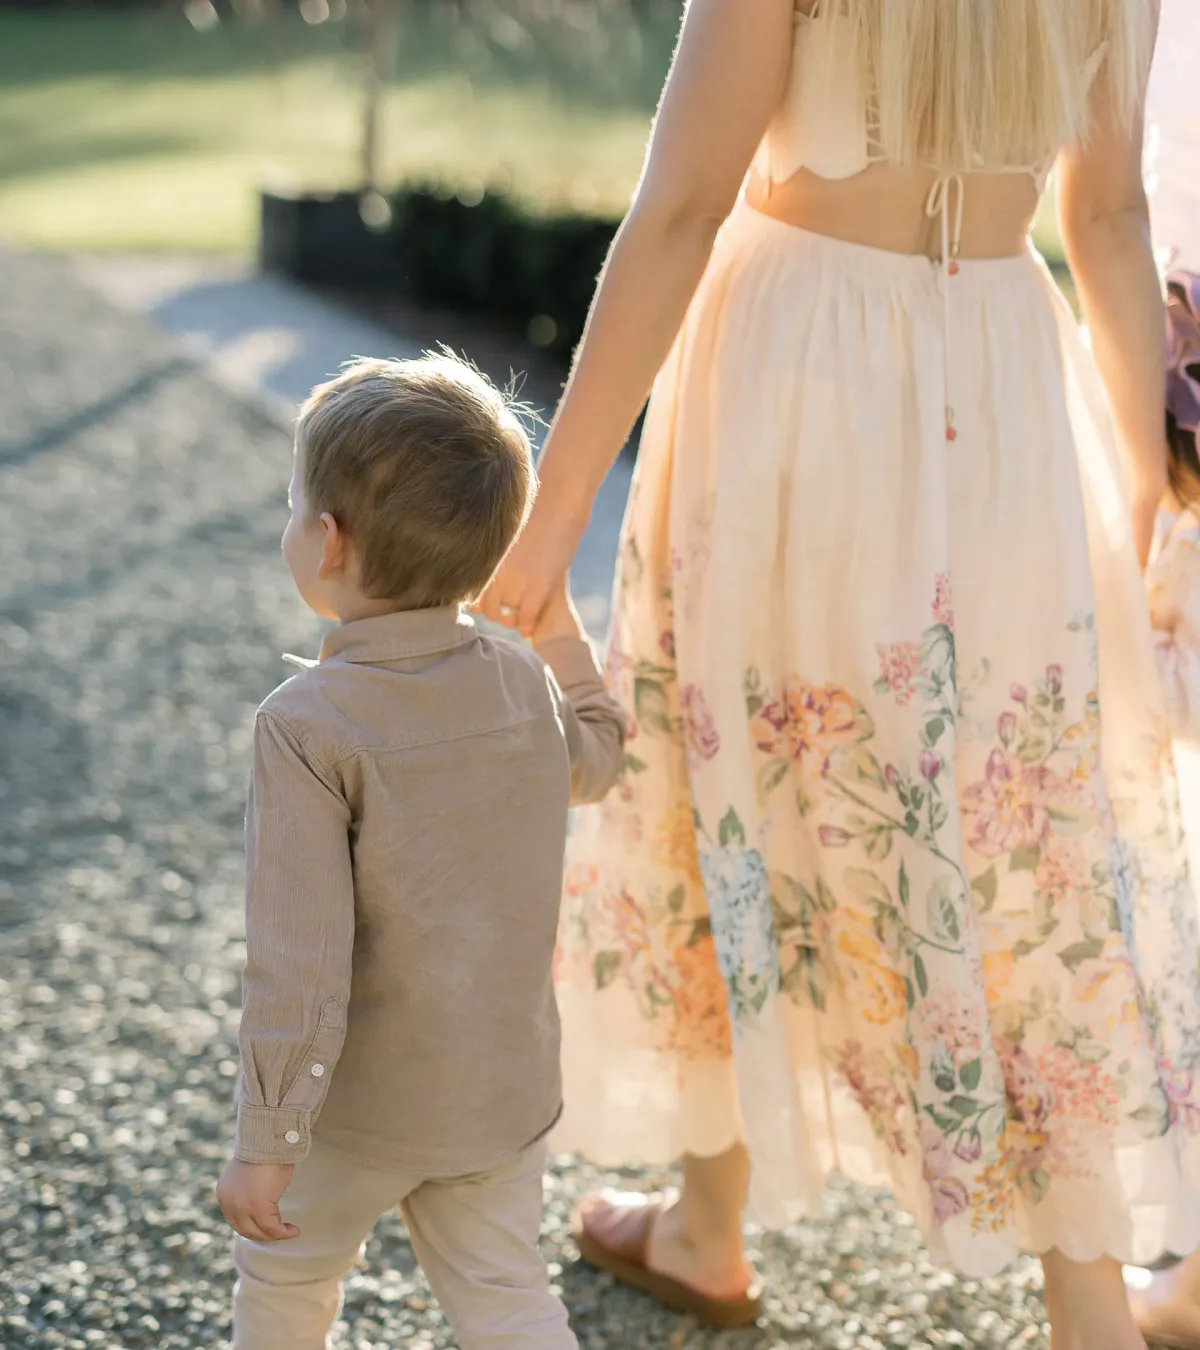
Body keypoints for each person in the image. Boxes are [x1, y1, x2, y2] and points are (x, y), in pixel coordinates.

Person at [479, 2, 1200, 1347]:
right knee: (1016, 818)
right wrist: (1144, 494)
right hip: (999, 375)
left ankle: (707, 1223)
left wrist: (560, 494)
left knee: (734, 759)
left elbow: (687, 204)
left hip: (794, 361)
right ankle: (1086, 1298)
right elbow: (1107, 220)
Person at [214, 355, 625, 1350]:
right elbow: (601, 756)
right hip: (499, 1094)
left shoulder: (307, 725)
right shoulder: (522, 683)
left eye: (292, 504)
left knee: (287, 1279)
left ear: (327, 541)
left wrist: (268, 1141)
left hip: (354, 1113)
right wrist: (564, 634)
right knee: (506, 1296)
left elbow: (300, 962)